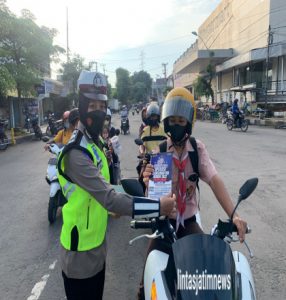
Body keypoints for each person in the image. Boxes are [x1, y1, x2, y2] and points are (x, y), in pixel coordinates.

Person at [57, 70, 176, 300]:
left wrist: (112, 207)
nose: (98, 112)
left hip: (97, 246)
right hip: (79, 252)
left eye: (101, 106)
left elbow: (102, 189)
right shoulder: (76, 152)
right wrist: (157, 206)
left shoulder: (95, 142)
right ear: (81, 106)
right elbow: (109, 196)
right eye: (92, 106)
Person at [139, 87, 248, 299]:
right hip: (163, 224)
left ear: (189, 121)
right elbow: (151, 197)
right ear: (166, 121)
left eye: (181, 120)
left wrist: (234, 215)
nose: (176, 125)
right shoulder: (160, 151)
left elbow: (214, 180)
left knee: (207, 273)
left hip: (188, 222)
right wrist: (147, 181)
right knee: (147, 281)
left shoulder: (197, 150)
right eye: (173, 120)